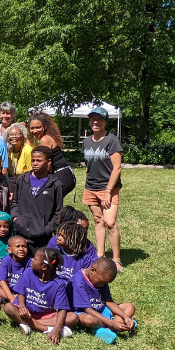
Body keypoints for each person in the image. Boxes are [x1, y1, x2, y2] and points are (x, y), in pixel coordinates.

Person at [3, 247, 77, 344]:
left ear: (44, 267)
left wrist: (57, 329)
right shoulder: (29, 272)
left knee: (73, 317)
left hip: (45, 315)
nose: (32, 260)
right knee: (8, 307)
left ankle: (28, 324)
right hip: (26, 312)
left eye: (35, 259)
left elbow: (62, 309)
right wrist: (22, 306)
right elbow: (21, 292)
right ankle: (45, 329)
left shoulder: (58, 284)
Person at [82, 106, 124, 271]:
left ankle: (117, 260)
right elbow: (88, 165)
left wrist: (108, 191)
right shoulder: (86, 141)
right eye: (93, 119)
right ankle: (100, 255)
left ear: (106, 122)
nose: (95, 122)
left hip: (108, 188)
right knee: (98, 220)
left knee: (110, 222)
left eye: (99, 119)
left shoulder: (112, 140)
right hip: (91, 187)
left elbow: (117, 168)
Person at [71, 258, 137, 345]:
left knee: (129, 307)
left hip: (101, 310)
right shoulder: (78, 282)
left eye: (105, 283)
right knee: (88, 320)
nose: (102, 285)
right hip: (85, 312)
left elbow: (109, 301)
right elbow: (87, 309)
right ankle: (114, 326)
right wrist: (112, 323)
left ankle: (108, 329)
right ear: (93, 270)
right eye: (101, 282)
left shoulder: (102, 280)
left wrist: (125, 317)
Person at [11, 146, 64, 253]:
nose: (35, 163)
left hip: (42, 238)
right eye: (33, 160)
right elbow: (15, 201)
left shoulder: (55, 184)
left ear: (48, 161)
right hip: (21, 234)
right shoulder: (22, 179)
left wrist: (47, 229)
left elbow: (58, 211)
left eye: (39, 161)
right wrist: (16, 218)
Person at [29, 112, 76, 197]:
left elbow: (47, 164)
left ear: (45, 126)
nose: (35, 131)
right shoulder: (46, 137)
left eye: (38, 127)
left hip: (62, 176)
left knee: (48, 203)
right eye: (32, 128)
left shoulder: (45, 139)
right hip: (65, 174)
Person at [51, 221, 98, 285]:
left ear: (74, 240)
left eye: (63, 236)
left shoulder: (84, 259)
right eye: (58, 235)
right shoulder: (54, 253)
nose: (58, 238)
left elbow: (87, 280)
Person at [0, 235, 30, 302]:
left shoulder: (30, 262)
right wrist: (11, 298)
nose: (21, 249)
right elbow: (2, 280)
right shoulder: (6, 260)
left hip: (22, 291)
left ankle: (5, 297)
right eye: (18, 246)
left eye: (24, 246)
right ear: (9, 250)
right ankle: (11, 298)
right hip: (8, 288)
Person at [4, 122, 33, 188]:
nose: (14, 137)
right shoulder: (9, 151)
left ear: (22, 135)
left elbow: (32, 173)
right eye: (11, 134)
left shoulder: (28, 150)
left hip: (26, 184)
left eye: (17, 134)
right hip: (14, 183)